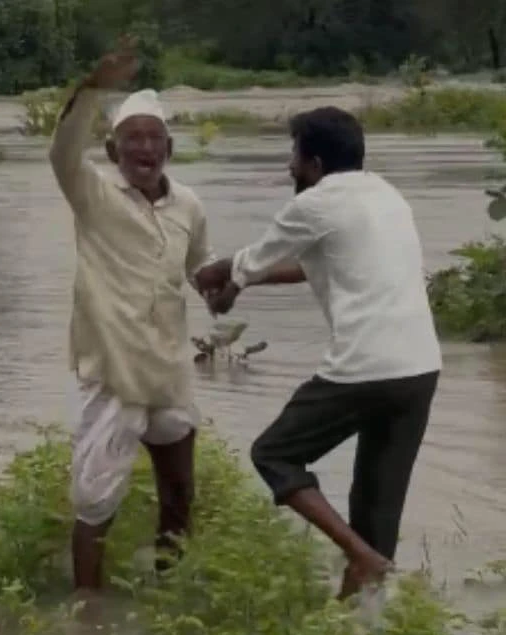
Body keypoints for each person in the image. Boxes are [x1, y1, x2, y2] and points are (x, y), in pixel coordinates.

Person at [195, 106, 442, 599]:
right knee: (377, 505)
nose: (290, 166)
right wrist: (243, 281)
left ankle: (360, 556)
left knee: (274, 454)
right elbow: (316, 266)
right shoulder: (388, 197)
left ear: (314, 162)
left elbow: (244, 263)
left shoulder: (314, 204)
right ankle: (363, 627)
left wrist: (220, 282)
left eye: (294, 155)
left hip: (365, 367)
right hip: (419, 369)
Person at [49, 38, 215, 591]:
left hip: (169, 371)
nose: (145, 148)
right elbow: (61, 151)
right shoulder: (91, 192)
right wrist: (93, 88)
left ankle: (171, 587)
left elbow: (197, 267)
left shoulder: (188, 205)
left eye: (154, 139)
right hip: (114, 372)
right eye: (132, 139)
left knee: (179, 495)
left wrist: (225, 285)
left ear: (170, 146)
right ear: (114, 149)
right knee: (95, 502)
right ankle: (87, 612)